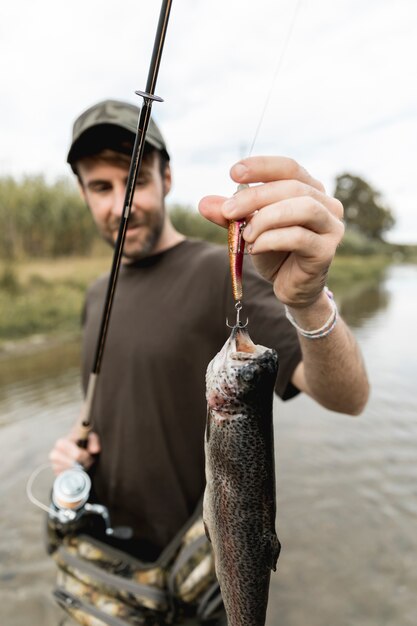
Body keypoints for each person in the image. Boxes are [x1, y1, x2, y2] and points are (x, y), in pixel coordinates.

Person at [48, 99, 369, 625]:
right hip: (115, 567)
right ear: (83, 193)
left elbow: (347, 395)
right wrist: (75, 449)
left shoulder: (215, 273)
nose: (120, 205)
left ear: (166, 177)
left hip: (202, 575)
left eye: (134, 181)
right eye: (100, 188)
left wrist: (309, 303)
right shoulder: (95, 293)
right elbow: (122, 402)